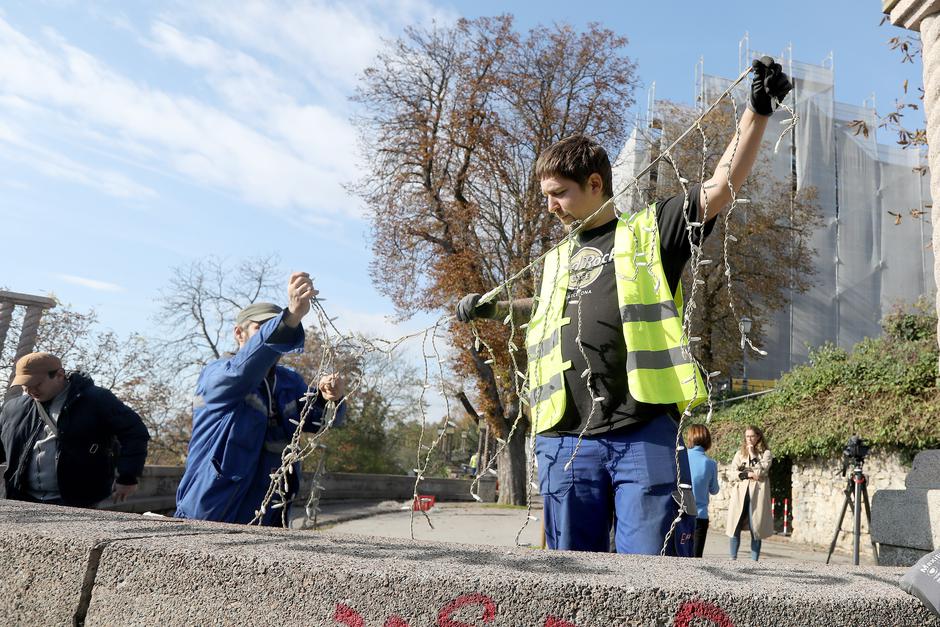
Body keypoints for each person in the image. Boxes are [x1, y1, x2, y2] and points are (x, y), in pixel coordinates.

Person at [455, 57, 792, 555]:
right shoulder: (555, 257)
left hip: (644, 432)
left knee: (652, 574)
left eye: (558, 194)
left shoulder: (651, 230)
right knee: (569, 579)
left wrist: (757, 114)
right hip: (565, 439)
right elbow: (544, 307)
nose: (549, 205)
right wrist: (492, 308)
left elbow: (720, 187)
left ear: (595, 183)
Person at [175, 272, 347, 526]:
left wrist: (328, 398)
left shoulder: (290, 381)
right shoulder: (217, 373)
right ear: (239, 333)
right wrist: (289, 318)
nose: (274, 337)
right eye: (261, 328)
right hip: (213, 510)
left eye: (274, 326)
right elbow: (243, 372)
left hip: (270, 513)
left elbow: (318, 423)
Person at [0, 351, 150, 507]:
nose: (31, 391)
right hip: (23, 499)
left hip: (79, 501)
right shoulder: (14, 408)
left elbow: (134, 433)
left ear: (59, 374)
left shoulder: (97, 399)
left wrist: (128, 476)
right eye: (25, 385)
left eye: (36, 384)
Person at [726, 425, 773, 560]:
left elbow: (760, 473)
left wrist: (752, 454)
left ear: (758, 437)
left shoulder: (766, 454)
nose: (749, 439)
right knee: (735, 526)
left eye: (752, 436)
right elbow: (732, 473)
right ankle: (732, 558)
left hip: (757, 495)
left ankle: (754, 561)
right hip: (740, 494)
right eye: (747, 436)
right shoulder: (739, 454)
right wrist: (746, 475)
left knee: (755, 528)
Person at [686, 424, 719, 558]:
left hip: (681, 514)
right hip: (700, 516)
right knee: (696, 557)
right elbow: (714, 490)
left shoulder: (681, 457)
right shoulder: (710, 463)